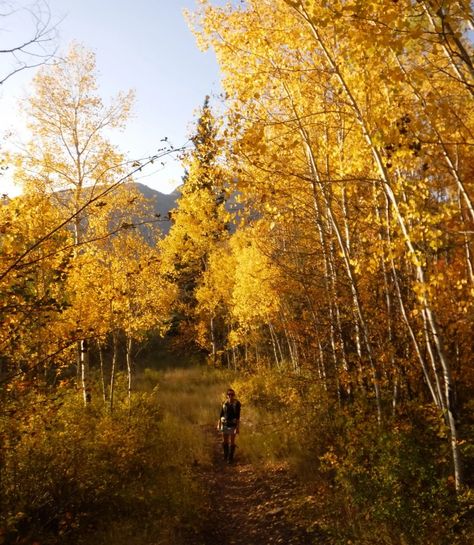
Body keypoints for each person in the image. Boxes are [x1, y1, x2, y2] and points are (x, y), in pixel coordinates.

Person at [217, 388, 241, 463]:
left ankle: (230, 458)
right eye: (229, 394)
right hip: (225, 424)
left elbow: (238, 416)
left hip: (233, 425)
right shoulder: (224, 403)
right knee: (225, 441)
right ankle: (225, 456)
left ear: (234, 395)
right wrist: (219, 424)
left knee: (232, 441)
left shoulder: (237, 404)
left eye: (232, 394)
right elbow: (221, 414)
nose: (230, 396)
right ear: (227, 395)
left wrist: (237, 427)